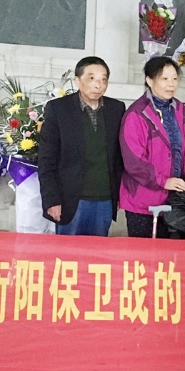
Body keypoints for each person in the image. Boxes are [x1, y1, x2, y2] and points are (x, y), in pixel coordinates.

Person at [38, 56, 125, 236]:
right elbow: (46, 159)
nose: (98, 85)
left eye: (103, 80)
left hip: (104, 200)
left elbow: (118, 157)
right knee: (68, 252)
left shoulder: (116, 109)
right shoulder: (58, 109)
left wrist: (117, 195)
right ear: (77, 81)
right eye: (91, 78)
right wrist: (51, 200)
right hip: (70, 201)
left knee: (98, 251)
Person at [119, 56, 185, 238]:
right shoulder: (137, 114)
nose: (171, 84)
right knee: (143, 253)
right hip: (143, 201)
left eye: (174, 78)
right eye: (164, 79)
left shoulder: (179, 109)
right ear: (150, 81)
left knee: (170, 253)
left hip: (175, 198)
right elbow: (134, 162)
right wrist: (163, 181)